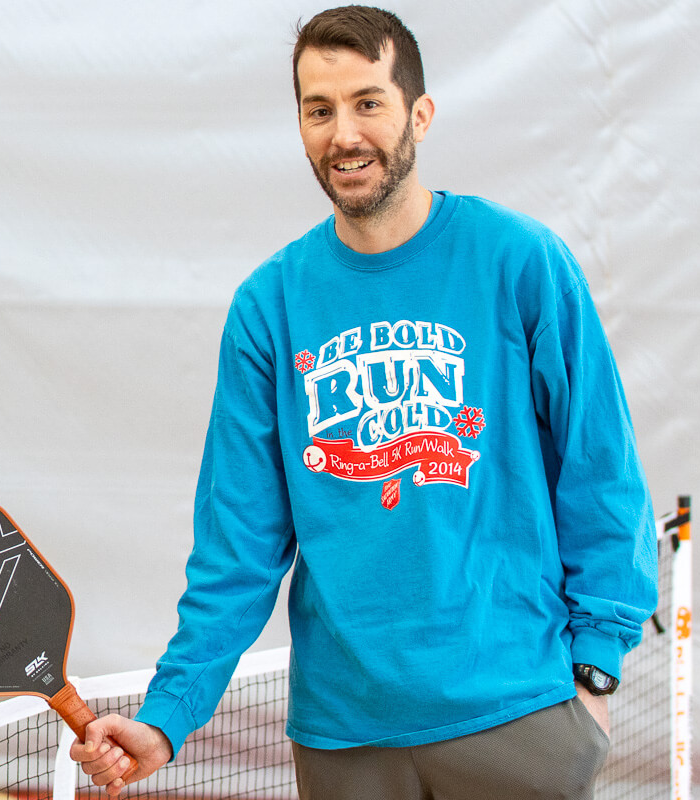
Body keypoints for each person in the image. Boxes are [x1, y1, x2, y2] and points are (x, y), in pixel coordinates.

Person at [72, 7, 658, 799]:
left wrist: (596, 667)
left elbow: (600, 469)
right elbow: (237, 549)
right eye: (319, 110)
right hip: (346, 740)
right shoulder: (270, 306)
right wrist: (168, 716)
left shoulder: (519, 262)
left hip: (517, 715)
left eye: (367, 102)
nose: (343, 133)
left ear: (419, 114)